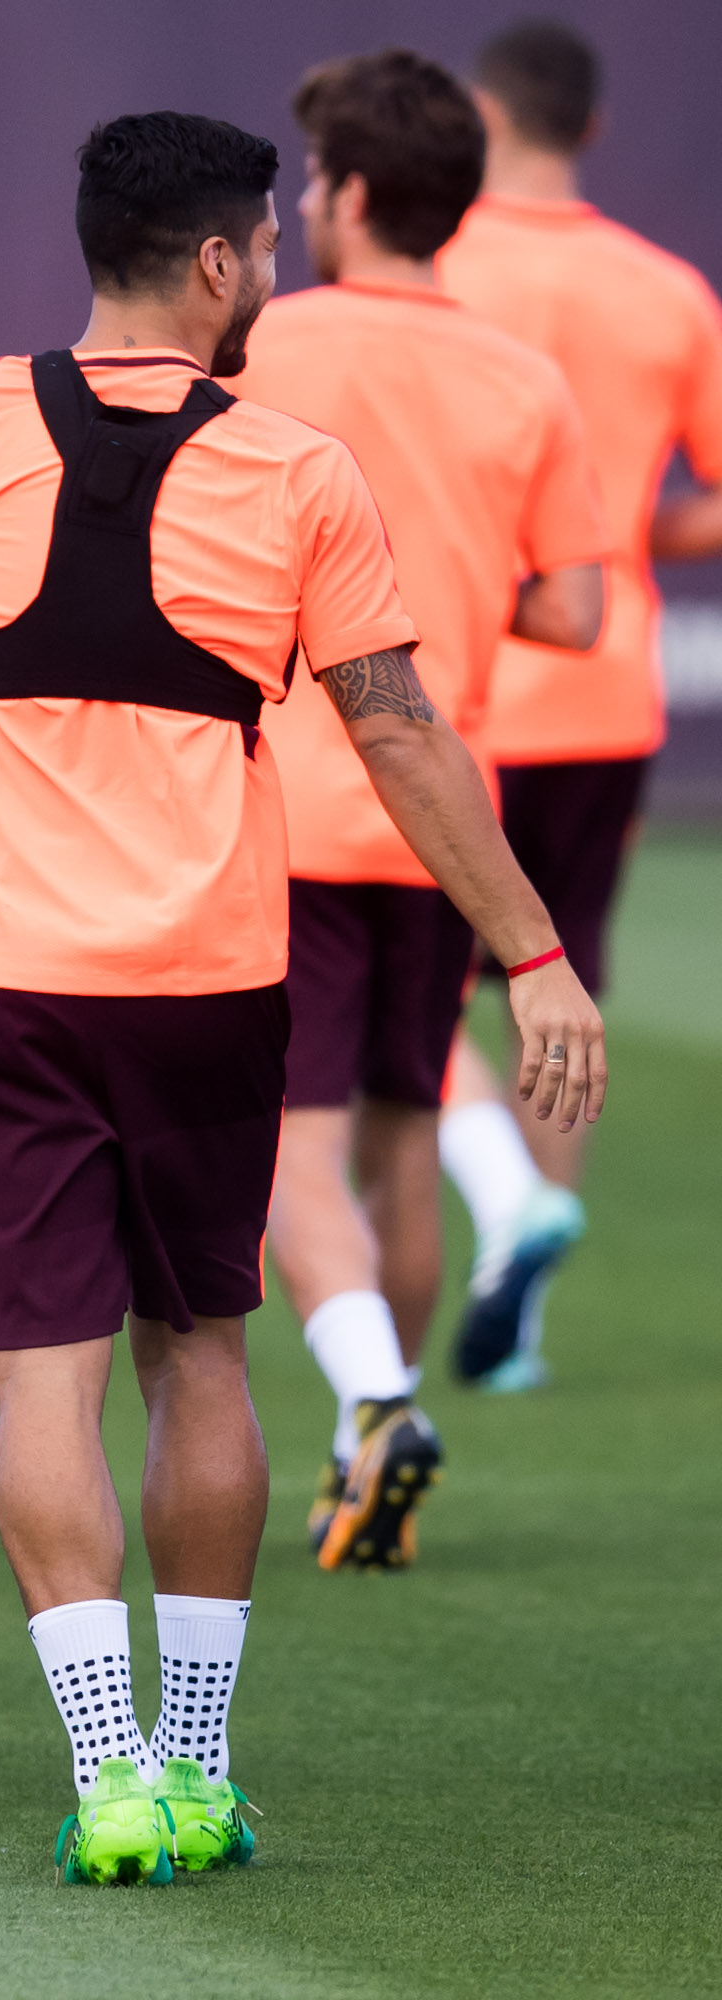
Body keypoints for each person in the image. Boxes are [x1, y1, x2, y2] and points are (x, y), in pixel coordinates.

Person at [0, 110, 604, 1886]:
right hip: (206, 978)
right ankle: (198, 1763)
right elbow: (400, 737)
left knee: (36, 1385)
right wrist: (535, 953)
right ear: (219, 261)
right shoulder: (295, 468)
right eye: (266, 246)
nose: (273, 269)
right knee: (200, 1349)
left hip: (3, 976)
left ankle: (112, 1772)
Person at [228, 49, 607, 1570]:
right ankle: (358, 1456)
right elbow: (575, 609)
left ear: (357, 193)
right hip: (452, 821)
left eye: (314, 181)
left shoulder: (266, 344)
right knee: (403, 1137)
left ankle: (377, 1400)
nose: (304, 204)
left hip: (294, 803)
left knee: (286, 1149)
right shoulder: (525, 375)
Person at [434, 17, 722, 1389]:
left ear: (481, 120)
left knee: (401, 992)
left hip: (451, 686)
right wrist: (620, 537)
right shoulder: (666, 290)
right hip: (605, 685)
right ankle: (521, 1315)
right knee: (565, 987)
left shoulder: (432, 270)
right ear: (591, 127)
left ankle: (501, 1207)